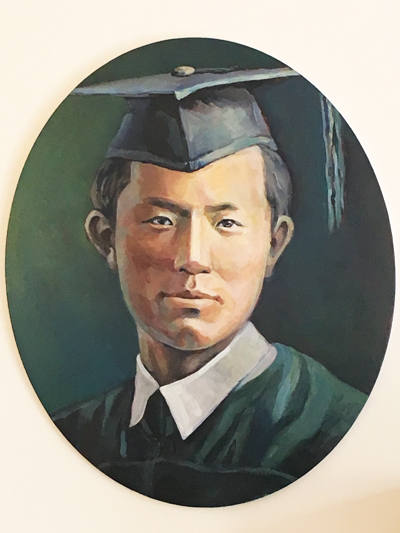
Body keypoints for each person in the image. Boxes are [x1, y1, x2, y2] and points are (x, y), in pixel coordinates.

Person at [53, 66, 367, 507]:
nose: (193, 257)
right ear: (106, 239)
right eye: (161, 220)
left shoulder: (340, 431)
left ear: (274, 244)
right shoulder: (66, 440)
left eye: (227, 223)